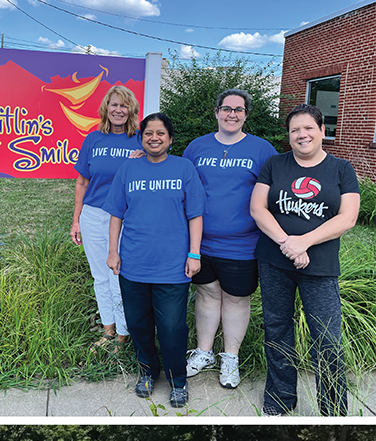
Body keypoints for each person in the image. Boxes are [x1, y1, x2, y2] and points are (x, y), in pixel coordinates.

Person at [251, 103, 359, 416]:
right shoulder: (275, 164)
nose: (302, 134)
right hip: (274, 262)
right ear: (289, 135)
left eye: (309, 128)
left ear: (322, 131)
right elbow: (259, 209)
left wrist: (304, 243)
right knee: (277, 329)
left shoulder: (341, 169)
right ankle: (280, 399)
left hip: (321, 268)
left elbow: (348, 218)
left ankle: (334, 409)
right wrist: (287, 244)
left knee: (327, 338)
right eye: (295, 129)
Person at [106, 112, 206, 408]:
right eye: (148, 133)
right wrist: (113, 251)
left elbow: (195, 215)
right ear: (142, 137)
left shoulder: (185, 169)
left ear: (170, 139)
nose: (154, 138)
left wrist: (194, 253)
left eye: (161, 133)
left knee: (172, 327)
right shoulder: (128, 170)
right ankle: (148, 372)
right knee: (138, 324)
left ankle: (178, 380)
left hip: (173, 266)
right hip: (133, 264)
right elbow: (116, 215)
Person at [182, 90, 277, 389]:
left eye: (239, 109)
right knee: (207, 294)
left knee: (236, 298)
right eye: (226, 108)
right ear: (216, 112)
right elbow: (180, 181)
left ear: (247, 114)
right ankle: (204, 352)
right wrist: (141, 156)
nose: (232, 114)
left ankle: (230, 358)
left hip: (243, 244)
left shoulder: (262, 150)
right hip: (201, 243)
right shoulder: (197, 147)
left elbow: (276, 190)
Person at [72, 86, 141, 351]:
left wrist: (142, 159)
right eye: (114, 105)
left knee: (118, 274)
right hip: (93, 215)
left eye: (124, 106)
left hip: (124, 218)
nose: (118, 110)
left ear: (131, 109)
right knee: (100, 275)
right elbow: (82, 182)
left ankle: (124, 333)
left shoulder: (139, 140)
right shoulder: (93, 139)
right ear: (106, 108)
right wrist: (76, 220)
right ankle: (108, 329)